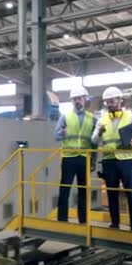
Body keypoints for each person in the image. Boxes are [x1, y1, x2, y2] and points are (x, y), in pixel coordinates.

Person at [91, 86, 132, 231]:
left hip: (127, 160)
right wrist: (99, 133)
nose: (109, 104)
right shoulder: (101, 120)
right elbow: (94, 140)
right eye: (107, 102)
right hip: (109, 161)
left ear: (120, 100)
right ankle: (115, 223)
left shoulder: (131, 117)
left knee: (131, 193)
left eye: (112, 101)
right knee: (111, 193)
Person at [53, 86, 97, 224]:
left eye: (80, 98)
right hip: (69, 158)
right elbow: (55, 135)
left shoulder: (92, 119)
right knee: (65, 189)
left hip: (85, 158)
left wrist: (93, 160)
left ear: (85, 99)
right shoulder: (65, 117)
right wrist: (62, 133)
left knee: (83, 190)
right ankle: (62, 219)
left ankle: (83, 220)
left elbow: (95, 141)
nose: (77, 101)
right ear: (72, 101)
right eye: (75, 99)